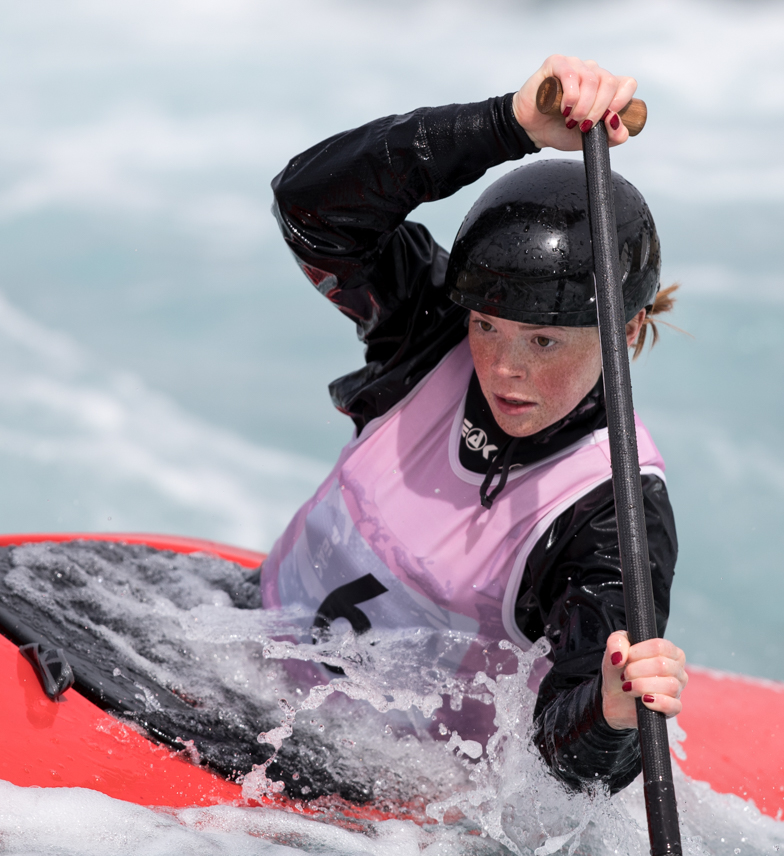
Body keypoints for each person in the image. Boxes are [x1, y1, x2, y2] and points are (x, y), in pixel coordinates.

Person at [263, 56, 689, 794]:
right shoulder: (432, 333)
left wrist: (611, 715)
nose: (503, 368)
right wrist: (506, 125)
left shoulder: (608, 515)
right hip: (241, 645)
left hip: (371, 793)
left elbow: (565, 762)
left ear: (624, 332)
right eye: (488, 326)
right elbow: (309, 206)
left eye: (544, 341)